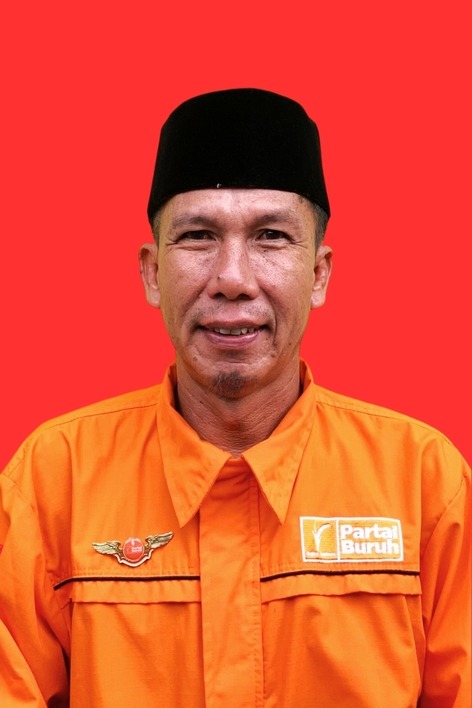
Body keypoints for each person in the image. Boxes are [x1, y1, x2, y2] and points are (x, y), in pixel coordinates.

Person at [0, 88, 469, 707]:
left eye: (270, 236)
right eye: (198, 236)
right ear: (151, 272)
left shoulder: (423, 481)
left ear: (319, 273)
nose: (232, 279)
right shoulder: (54, 479)